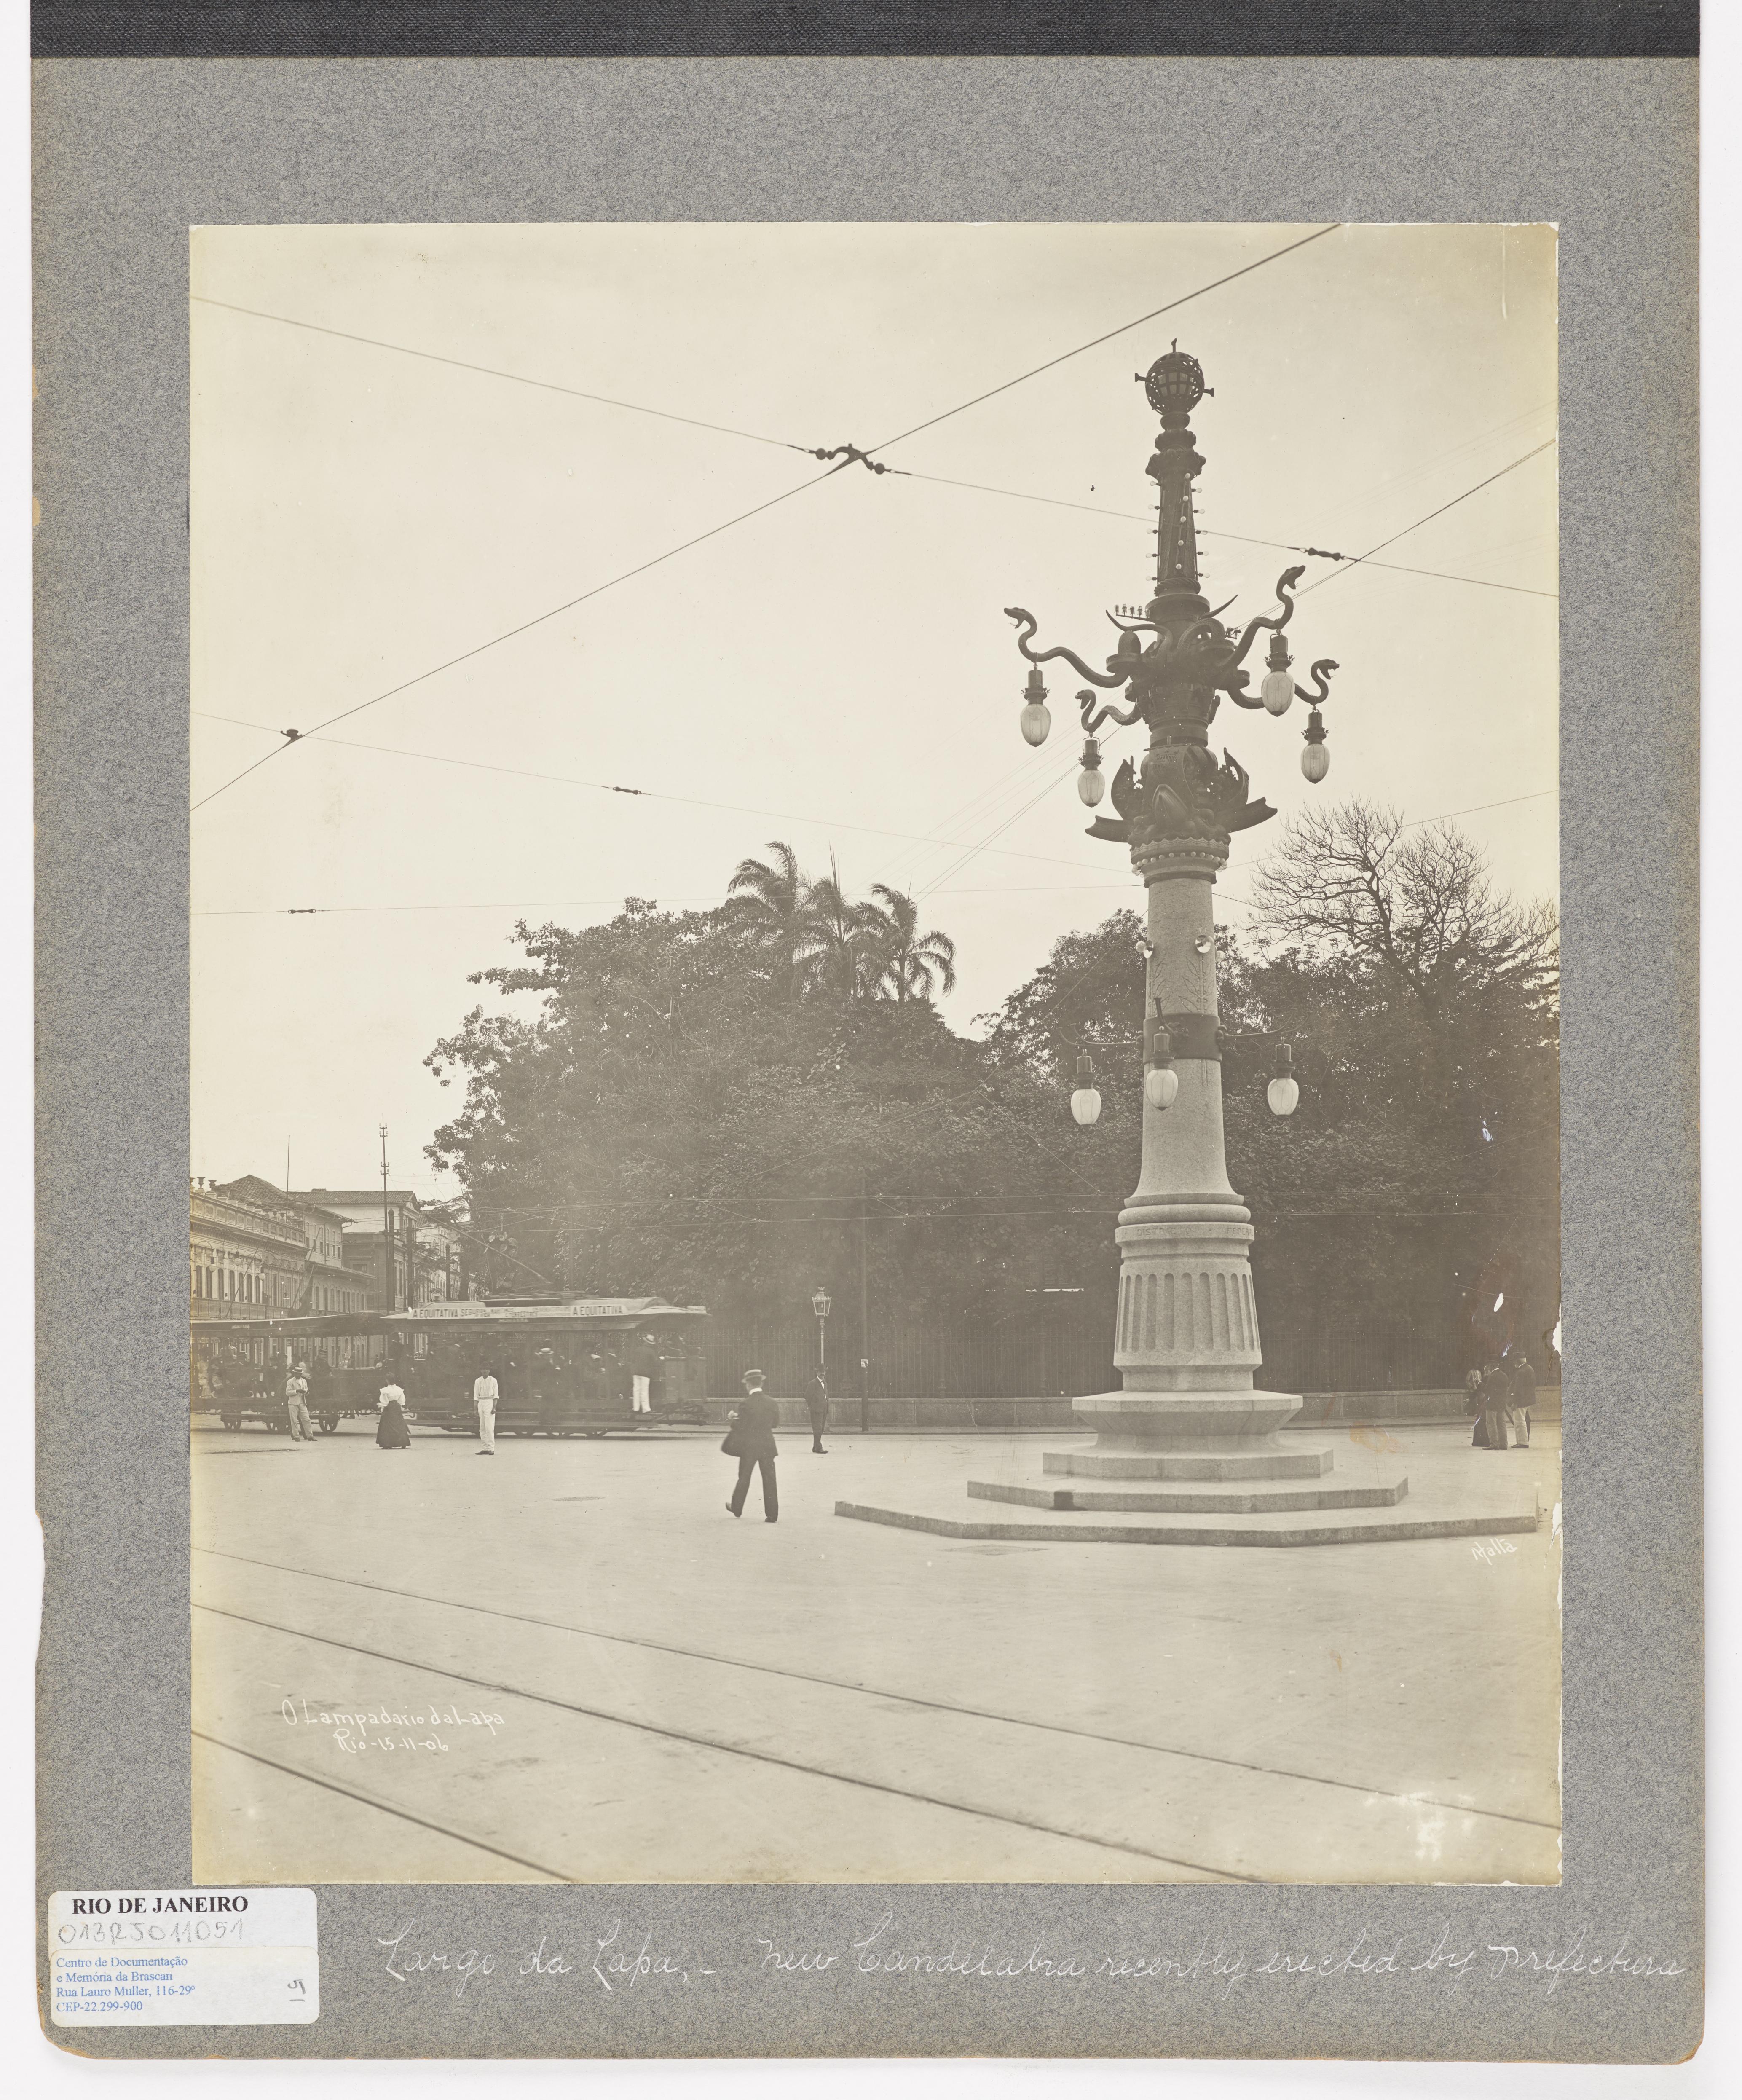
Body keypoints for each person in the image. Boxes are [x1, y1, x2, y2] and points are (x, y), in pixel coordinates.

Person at [724, 1368, 780, 1522]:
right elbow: (775, 1424)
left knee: (744, 1477)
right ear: (761, 1383)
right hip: (768, 1446)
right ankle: (772, 1514)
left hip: (749, 1447)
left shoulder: (745, 1404)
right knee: (770, 1479)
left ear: (748, 1384)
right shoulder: (772, 1402)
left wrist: (734, 1419)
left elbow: (741, 1427)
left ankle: (737, 1508)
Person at [1480, 1360, 1512, 1453]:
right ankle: (1504, 1444)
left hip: (1492, 1404)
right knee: (1502, 1424)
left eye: (1488, 1365)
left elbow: (1487, 1390)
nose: (1487, 1367)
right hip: (1501, 1404)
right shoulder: (1504, 1375)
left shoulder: (1492, 1376)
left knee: (1491, 1424)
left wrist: (1479, 1383)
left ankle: (1494, 1444)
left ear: (1491, 1366)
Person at [375, 1374, 411, 1451]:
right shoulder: (399, 1390)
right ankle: (403, 1443)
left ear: (387, 1381)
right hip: (397, 1408)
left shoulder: (385, 1390)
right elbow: (402, 1401)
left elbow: (385, 1402)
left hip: (389, 1408)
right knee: (399, 1425)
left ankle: (388, 1444)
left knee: (387, 1426)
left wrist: (382, 1410)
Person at [1507, 1354, 1535, 1448]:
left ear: (1518, 1361)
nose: (1513, 1363)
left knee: (1519, 1421)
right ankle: (1523, 1441)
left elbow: (1519, 1389)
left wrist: (1515, 1402)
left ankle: (1523, 1443)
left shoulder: (1521, 1372)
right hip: (1527, 1400)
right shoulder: (1529, 1368)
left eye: (1514, 1361)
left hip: (1521, 1401)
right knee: (1524, 1419)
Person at [284, 1362, 316, 1444]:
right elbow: (288, 1393)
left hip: (302, 1402)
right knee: (294, 1421)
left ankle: (310, 1436)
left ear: (301, 1374)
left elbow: (307, 1391)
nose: (298, 1375)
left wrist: (306, 1392)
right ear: (295, 1373)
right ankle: (296, 1436)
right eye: (297, 1374)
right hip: (293, 1403)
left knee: (307, 1419)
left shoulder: (304, 1381)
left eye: (300, 1374)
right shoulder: (290, 1381)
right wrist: (297, 1391)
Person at [472, 1364, 499, 1456]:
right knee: (482, 1428)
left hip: (489, 1402)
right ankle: (485, 1448)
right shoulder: (478, 1381)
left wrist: (494, 1408)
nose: (485, 1371)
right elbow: (476, 1396)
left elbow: (496, 1396)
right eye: (483, 1370)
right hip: (481, 1403)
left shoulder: (493, 1380)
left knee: (489, 1427)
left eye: (487, 1370)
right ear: (481, 1371)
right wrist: (475, 1409)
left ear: (489, 1371)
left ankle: (491, 1448)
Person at [630, 1334, 657, 1416]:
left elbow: (632, 1360)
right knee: (644, 1391)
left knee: (636, 1390)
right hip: (645, 1373)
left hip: (636, 1373)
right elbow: (656, 1362)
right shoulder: (651, 1351)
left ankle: (636, 1408)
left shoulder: (637, 1349)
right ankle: (646, 1409)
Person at [806, 1367, 829, 1454]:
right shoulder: (813, 1383)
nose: (822, 1374)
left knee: (821, 1429)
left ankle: (815, 1447)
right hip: (816, 1410)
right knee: (818, 1428)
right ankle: (819, 1448)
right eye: (820, 1372)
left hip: (824, 1409)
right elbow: (807, 1396)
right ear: (817, 1373)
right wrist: (812, 1406)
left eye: (823, 1372)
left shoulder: (825, 1384)